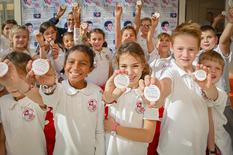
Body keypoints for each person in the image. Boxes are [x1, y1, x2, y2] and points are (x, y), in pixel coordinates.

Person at [152, 22, 220, 155]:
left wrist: (207, 87)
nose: (185, 54)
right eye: (180, 48)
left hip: (198, 147)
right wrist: (157, 96)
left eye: (191, 49)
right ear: (171, 47)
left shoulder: (202, 73)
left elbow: (213, 97)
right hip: (172, 148)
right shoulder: (170, 72)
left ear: (198, 48)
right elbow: (164, 86)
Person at [28, 45, 105, 155]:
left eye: (83, 63)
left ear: (90, 69)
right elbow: (48, 99)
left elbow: (99, 131)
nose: (76, 67)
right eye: (71, 62)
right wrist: (49, 84)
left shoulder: (97, 92)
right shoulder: (58, 88)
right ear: (64, 65)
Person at [103, 42, 159, 155]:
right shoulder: (114, 89)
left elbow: (148, 136)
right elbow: (105, 102)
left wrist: (114, 128)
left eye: (135, 66)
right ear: (118, 66)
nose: (129, 72)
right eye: (124, 66)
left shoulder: (149, 93)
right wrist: (108, 96)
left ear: (143, 65)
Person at [0, 52, 47, 155]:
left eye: (17, 79)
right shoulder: (3, 102)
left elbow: (44, 100)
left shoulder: (37, 100)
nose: (13, 84)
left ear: (31, 76)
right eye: (8, 79)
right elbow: (2, 137)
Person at [198, 51, 233, 155]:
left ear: (222, 73)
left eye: (217, 68)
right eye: (208, 66)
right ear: (199, 68)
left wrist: (205, 86)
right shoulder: (193, 89)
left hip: (219, 143)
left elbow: (212, 93)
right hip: (199, 141)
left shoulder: (221, 93)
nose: (213, 71)